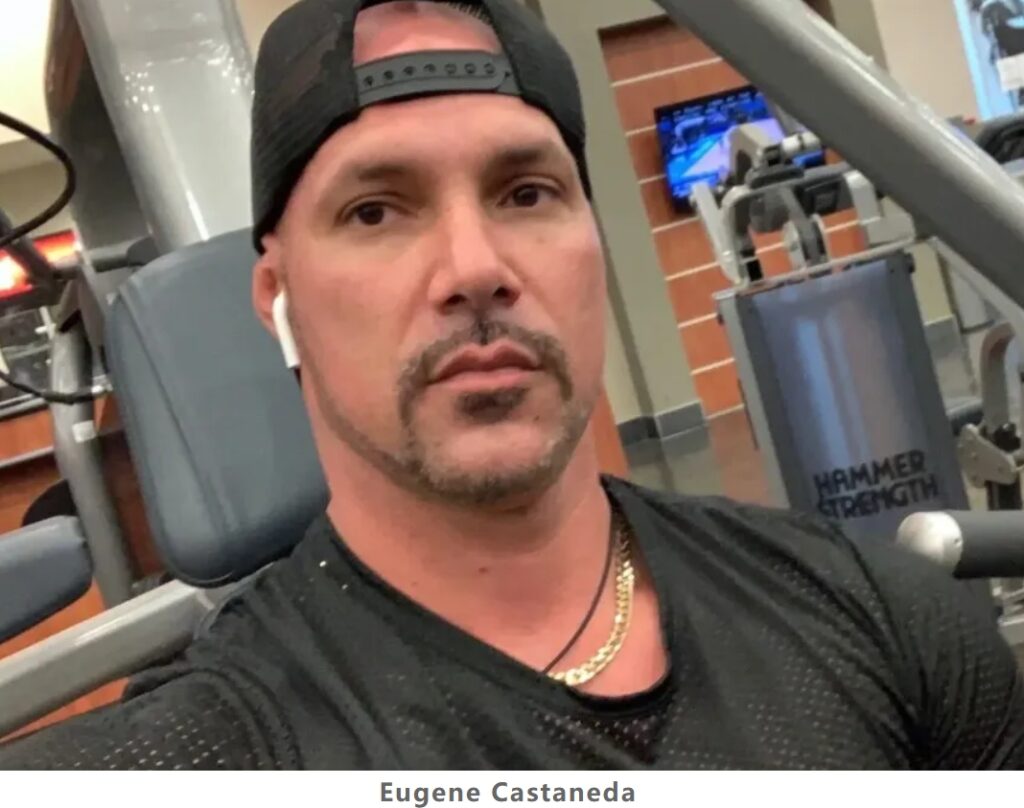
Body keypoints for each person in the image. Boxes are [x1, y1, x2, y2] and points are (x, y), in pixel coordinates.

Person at [2, 0, 1024, 770]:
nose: (474, 266)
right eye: (375, 210)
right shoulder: (195, 755)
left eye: (526, 192)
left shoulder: (892, 622)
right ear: (278, 300)